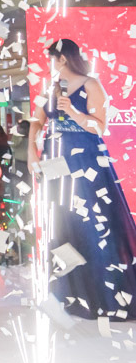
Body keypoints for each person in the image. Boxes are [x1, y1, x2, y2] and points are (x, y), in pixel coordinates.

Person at [28, 39, 136, 319]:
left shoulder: (90, 84)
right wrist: (32, 151)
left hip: (85, 160)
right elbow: (37, 122)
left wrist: (73, 113)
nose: (51, 64)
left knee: (92, 224)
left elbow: (99, 127)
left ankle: (106, 296)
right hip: (55, 161)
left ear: (62, 58)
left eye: (53, 58)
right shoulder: (49, 88)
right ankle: (70, 296)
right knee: (63, 225)